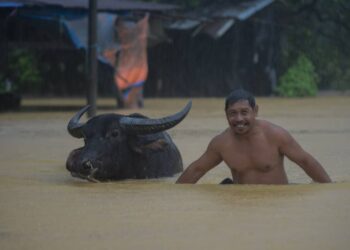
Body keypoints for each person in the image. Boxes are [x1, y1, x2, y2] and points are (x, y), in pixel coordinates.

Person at [176, 89, 332, 184]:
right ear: (226, 114)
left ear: (255, 111)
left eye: (244, 112)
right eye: (232, 113)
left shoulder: (276, 135)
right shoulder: (221, 143)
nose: (239, 119)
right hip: (241, 206)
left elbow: (305, 161)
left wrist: (329, 189)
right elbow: (197, 169)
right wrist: (173, 196)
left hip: (277, 203)